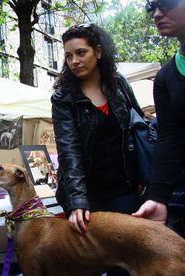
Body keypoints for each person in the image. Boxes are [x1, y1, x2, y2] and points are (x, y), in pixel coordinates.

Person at [51, 24, 143, 235]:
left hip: (125, 189)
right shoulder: (63, 98)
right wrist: (78, 201)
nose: (74, 61)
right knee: (89, 260)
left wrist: (143, 178)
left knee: (125, 257)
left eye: (81, 52)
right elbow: (68, 150)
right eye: (68, 56)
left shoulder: (118, 84)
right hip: (87, 195)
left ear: (98, 52)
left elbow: (138, 127)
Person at [132, 0, 185, 224]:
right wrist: (157, 197)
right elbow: (170, 139)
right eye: (152, 8)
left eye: (166, 4)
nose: (157, 14)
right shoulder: (166, 76)